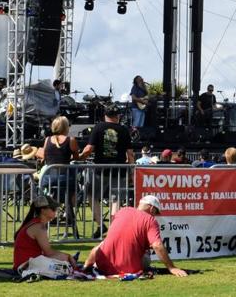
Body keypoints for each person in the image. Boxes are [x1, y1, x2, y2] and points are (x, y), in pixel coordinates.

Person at [85, 195, 187, 278]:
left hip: (104, 266)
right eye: (155, 212)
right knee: (147, 255)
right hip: (128, 268)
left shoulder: (121, 211)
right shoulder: (150, 220)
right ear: (152, 209)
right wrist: (171, 267)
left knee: (102, 244)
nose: (155, 215)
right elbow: (157, 245)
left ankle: (85, 267)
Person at [80, 105, 131, 235]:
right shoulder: (124, 130)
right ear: (118, 116)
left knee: (91, 196)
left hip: (100, 169)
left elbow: (88, 149)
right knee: (116, 200)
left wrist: (79, 158)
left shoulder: (98, 127)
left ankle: (100, 224)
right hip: (119, 170)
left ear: (105, 116)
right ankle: (113, 231)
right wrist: (132, 171)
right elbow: (130, 154)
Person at [37, 115, 81, 226]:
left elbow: (46, 157)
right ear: (66, 127)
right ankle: (68, 212)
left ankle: (55, 212)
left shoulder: (47, 140)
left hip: (48, 178)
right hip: (65, 177)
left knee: (55, 191)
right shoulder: (71, 140)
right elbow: (76, 158)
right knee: (77, 188)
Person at [13, 194, 75, 271]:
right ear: (43, 210)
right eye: (53, 209)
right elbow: (48, 252)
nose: (56, 211)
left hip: (27, 263)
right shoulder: (38, 227)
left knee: (63, 259)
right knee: (64, 258)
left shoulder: (35, 223)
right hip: (26, 266)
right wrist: (68, 256)